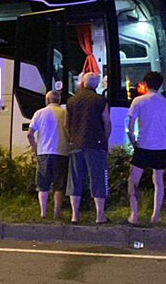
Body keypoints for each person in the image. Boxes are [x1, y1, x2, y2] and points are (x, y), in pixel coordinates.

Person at [126, 71, 166, 225]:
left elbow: (130, 125)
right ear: (160, 85)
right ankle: (155, 215)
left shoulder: (138, 101)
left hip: (143, 146)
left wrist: (133, 141)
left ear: (145, 84)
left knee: (133, 181)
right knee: (158, 182)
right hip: (161, 147)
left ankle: (134, 215)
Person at [66, 72, 112, 223]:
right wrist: (105, 139)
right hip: (96, 144)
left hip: (76, 144)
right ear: (96, 85)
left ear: (83, 83)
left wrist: (72, 138)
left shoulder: (72, 101)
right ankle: (100, 216)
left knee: (75, 179)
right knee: (98, 178)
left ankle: (75, 215)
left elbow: (67, 125)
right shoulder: (100, 100)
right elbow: (106, 122)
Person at [26, 90, 69, 219]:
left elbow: (29, 134)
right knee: (59, 185)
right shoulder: (64, 113)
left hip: (43, 152)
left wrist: (35, 148)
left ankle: (43, 212)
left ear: (47, 100)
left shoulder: (39, 113)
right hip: (61, 152)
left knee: (43, 184)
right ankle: (56, 212)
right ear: (59, 100)